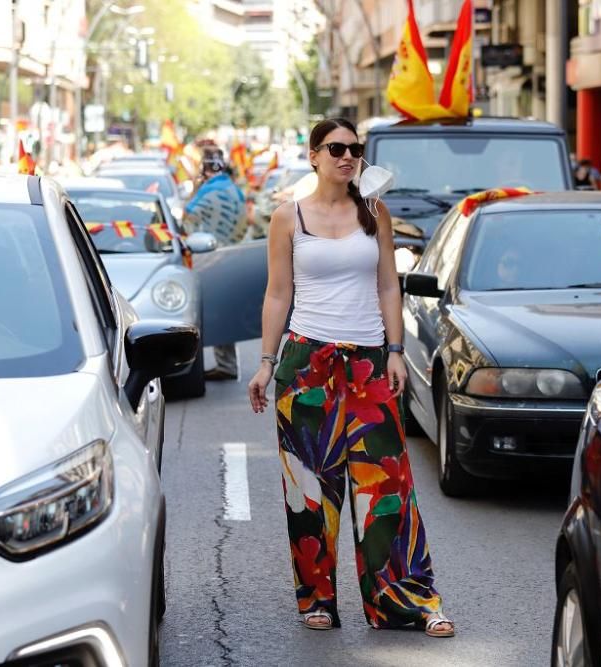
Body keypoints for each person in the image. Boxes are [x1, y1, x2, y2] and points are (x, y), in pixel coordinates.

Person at [247, 118, 454, 638]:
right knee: (311, 489)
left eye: (355, 149)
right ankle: (317, 600)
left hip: (366, 363)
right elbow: (277, 294)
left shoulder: (374, 214)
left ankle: (404, 602)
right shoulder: (287, 218)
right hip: (306, 364)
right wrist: (266, 363)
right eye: (336, 148)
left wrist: (396, 350)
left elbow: (389, 285)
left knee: (387, 483)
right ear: (314, 155)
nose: (348, 157)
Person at [183, 146, 249, 381]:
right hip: (232, 254)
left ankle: (208, 365)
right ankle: (227, 363)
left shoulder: (209, 191)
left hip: (208, 256)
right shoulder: (233, 189)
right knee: (224, 311)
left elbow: (186, 218)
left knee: (206, 313)